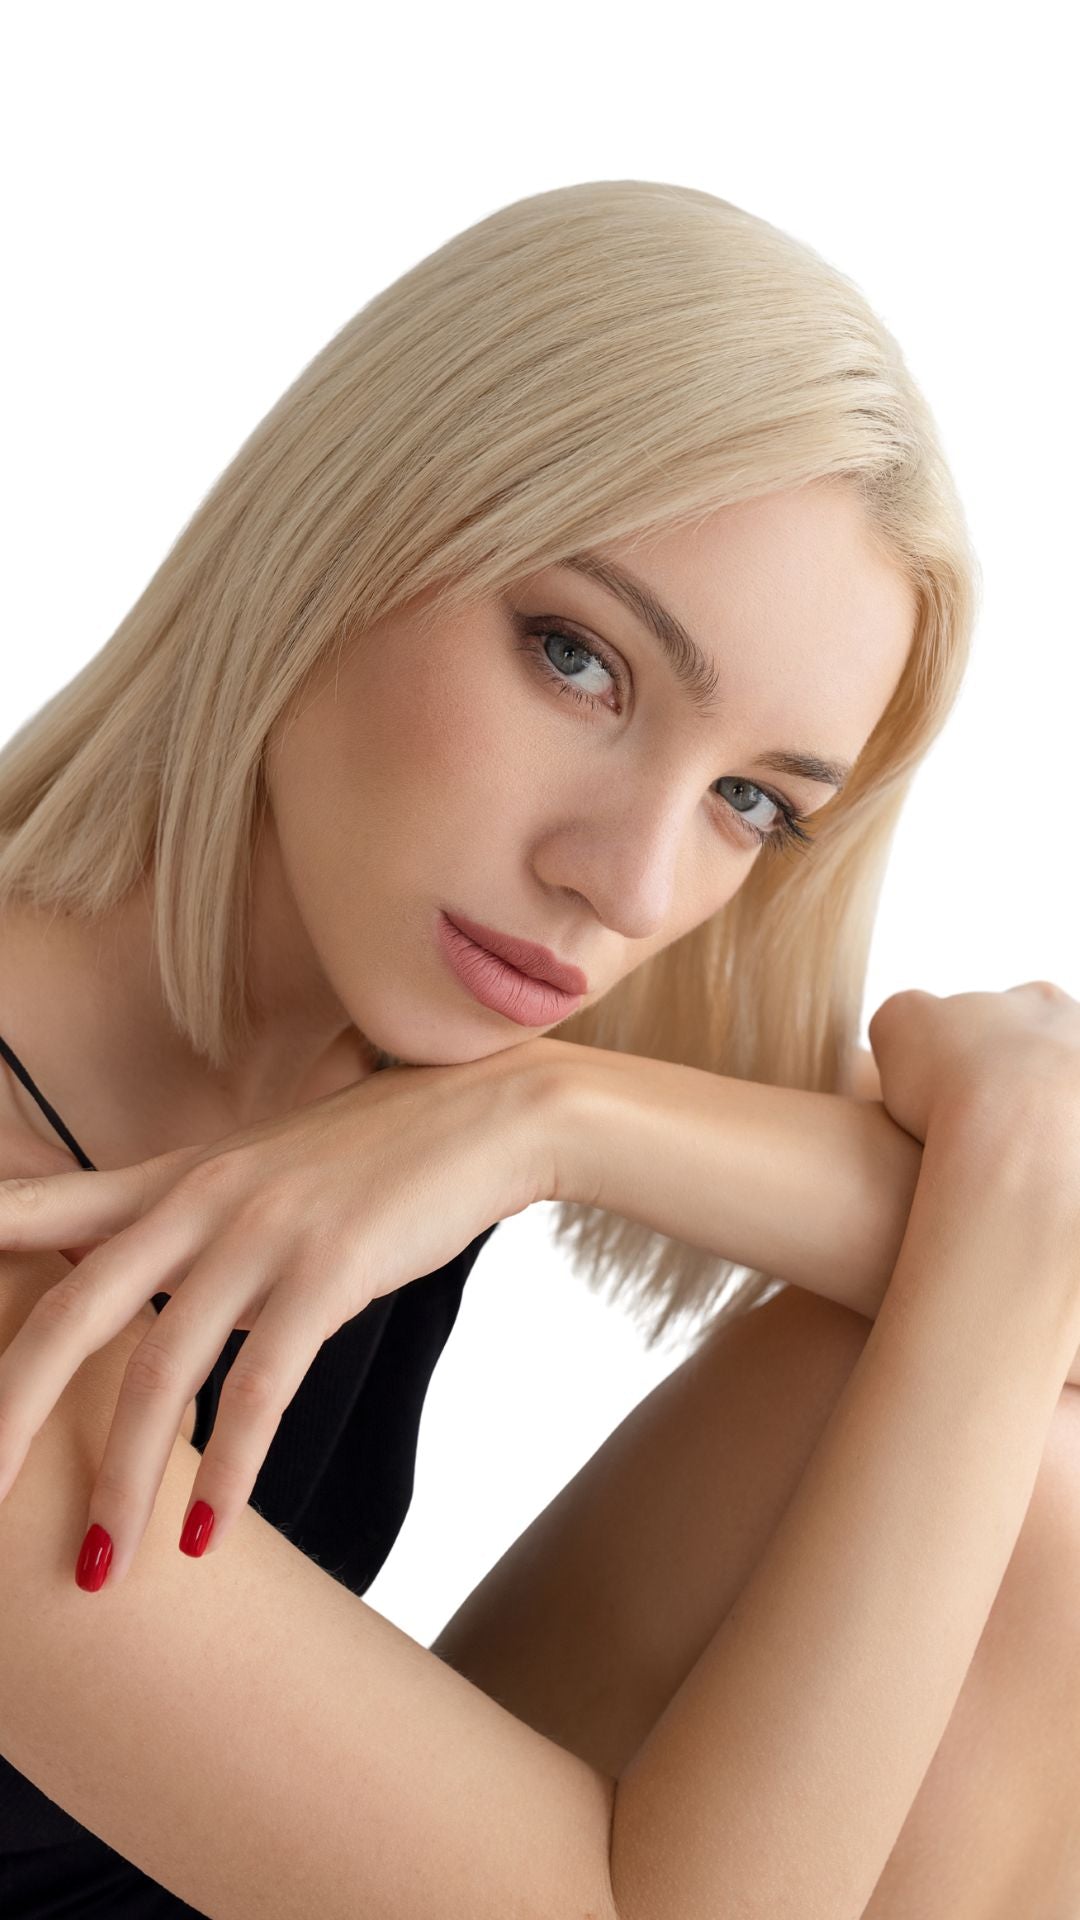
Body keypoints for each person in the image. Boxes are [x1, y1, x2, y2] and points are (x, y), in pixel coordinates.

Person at [0, 177, 1078, 1916]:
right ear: (350, 528)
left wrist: (559, 1117)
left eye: (748, 803)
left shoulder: (400, 1061)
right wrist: (1016, 1161)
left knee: (1024, 1461)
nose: (632, 883)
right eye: (578, 660)